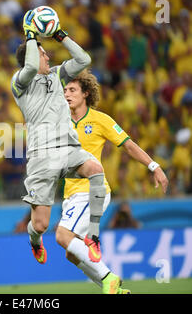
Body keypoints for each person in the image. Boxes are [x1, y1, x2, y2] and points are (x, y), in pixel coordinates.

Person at [55, 69, 168, 293]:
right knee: (71, 253)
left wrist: (153, 166)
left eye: (72, 90)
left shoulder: (100, 119)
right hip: (71, 194)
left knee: (62, 235)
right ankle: (113, 288)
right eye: (65, 90)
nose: (67, 94)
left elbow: (128, 144)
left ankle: (108, 278)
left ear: (85, 93)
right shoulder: (60, 121)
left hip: (91, 191)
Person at [11, 9, 107, 269]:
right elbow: (31, 65)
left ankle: (93, 236)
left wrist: (59, 34)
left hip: (68, 148)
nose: (48, 55)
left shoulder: (56, 74)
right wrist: (31, 35)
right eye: (44, 53)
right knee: (41, 224)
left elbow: (83, 58)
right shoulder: (20, 81)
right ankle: (34, 238)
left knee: (96, 171)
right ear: (32, 54)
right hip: (42, 155)